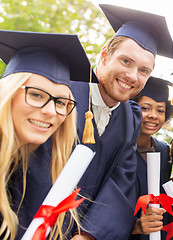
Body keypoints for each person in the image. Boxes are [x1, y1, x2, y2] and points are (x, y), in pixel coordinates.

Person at [66, 4, 173, 240]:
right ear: (104, 54)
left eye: (144, 70)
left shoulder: (131, 117)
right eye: (126, 61)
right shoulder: (64, 96)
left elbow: (120, 181)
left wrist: (90, 234)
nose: (132, 76)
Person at [0, 30, 93, 239]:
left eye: (60, 102)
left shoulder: (36, 168)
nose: (50, 111)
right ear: (8, 93)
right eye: (35, 94)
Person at [130, 76, 173, 239]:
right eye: (145, 108)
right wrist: (135, 226)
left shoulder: (164, 151)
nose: (153, 115)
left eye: (160, 110)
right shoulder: (119, 150)